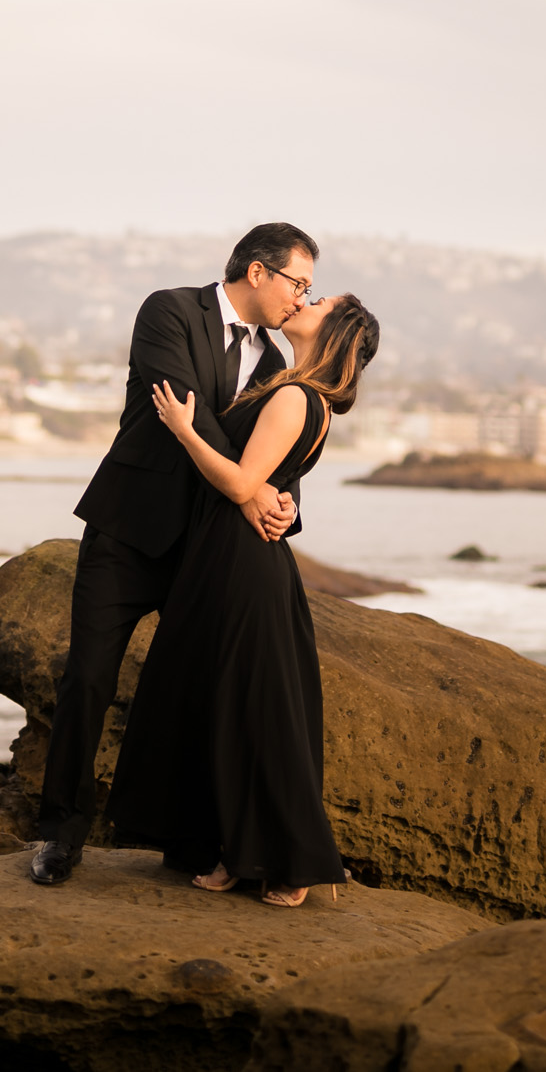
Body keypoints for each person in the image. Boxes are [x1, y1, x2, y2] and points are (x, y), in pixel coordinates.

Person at [30, 222, 321, 885]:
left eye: (309, 288)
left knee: (197, 697)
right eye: (297, 282)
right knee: (88, 679)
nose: (301, 298)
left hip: (208, 552)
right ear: (257, 270)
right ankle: (59, 835)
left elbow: (276, 446)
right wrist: (251, 491)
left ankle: (189, 840)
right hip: (129, 533)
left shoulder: (278, 365)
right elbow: (187, 412)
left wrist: (283, 501)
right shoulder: (169, 310)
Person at [106, 292, 380, 907]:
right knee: (218, 703)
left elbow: (239, 482)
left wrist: (184, 430)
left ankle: (289, 863)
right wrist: (278, 498)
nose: (305, 298)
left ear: (335, 329)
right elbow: (271, 482)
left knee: (248, 709)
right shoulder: (293, 388)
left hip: (240, 561)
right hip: (226, 555)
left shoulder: (294, 396)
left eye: (320, 298)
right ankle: (229, 848)